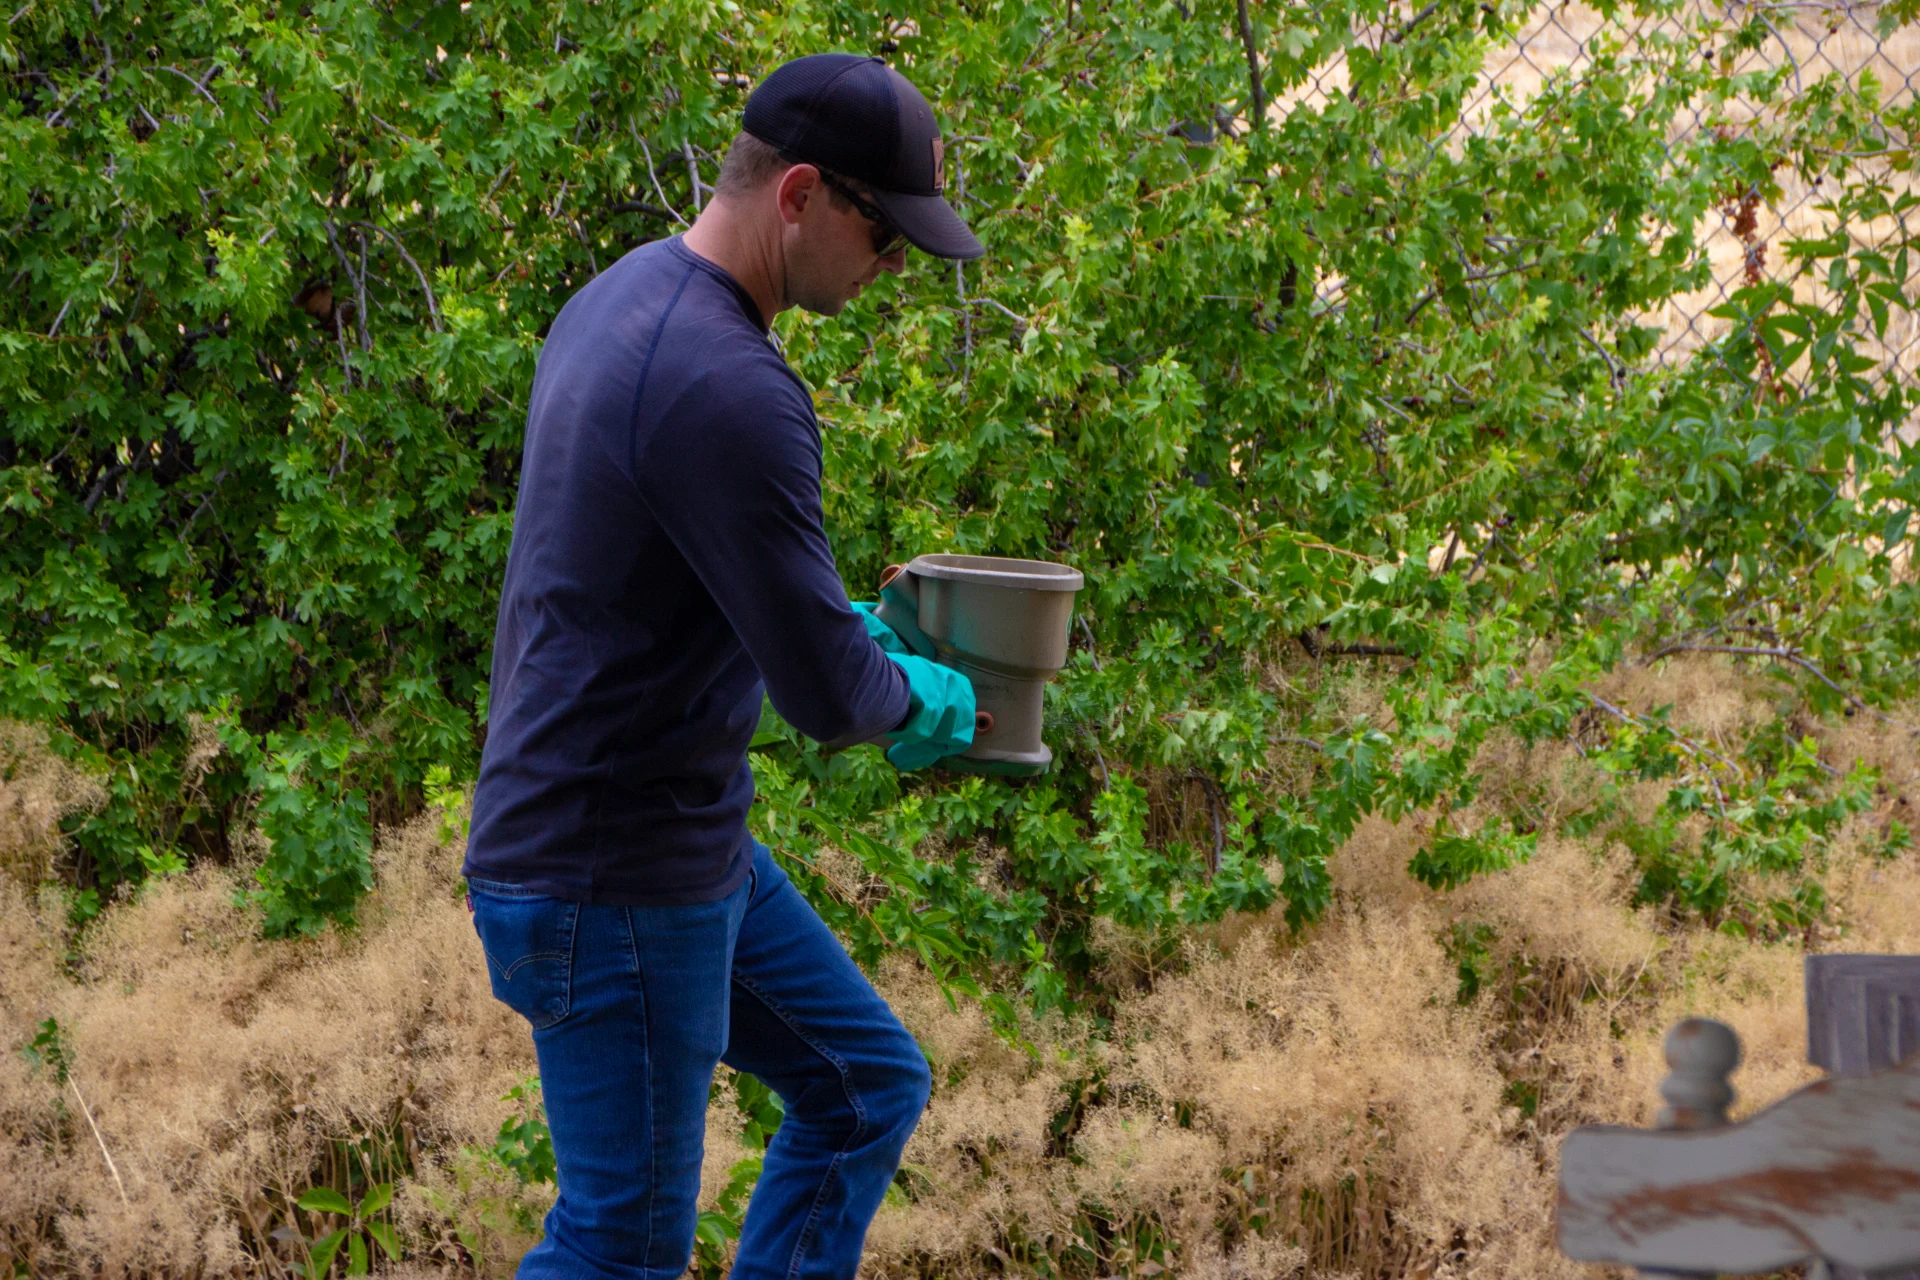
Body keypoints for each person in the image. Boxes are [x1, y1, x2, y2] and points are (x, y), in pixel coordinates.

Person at [459, 52, 985, 1280]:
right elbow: (824, 695)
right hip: (615, 880)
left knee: (864, 1083)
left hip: (663, 846)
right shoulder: (732, 386)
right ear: (799, 193)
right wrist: (917, 695)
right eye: (885, 232)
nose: (895, 265)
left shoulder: (626, 297)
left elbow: (651, 574)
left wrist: (833, 619)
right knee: (620, 1245)